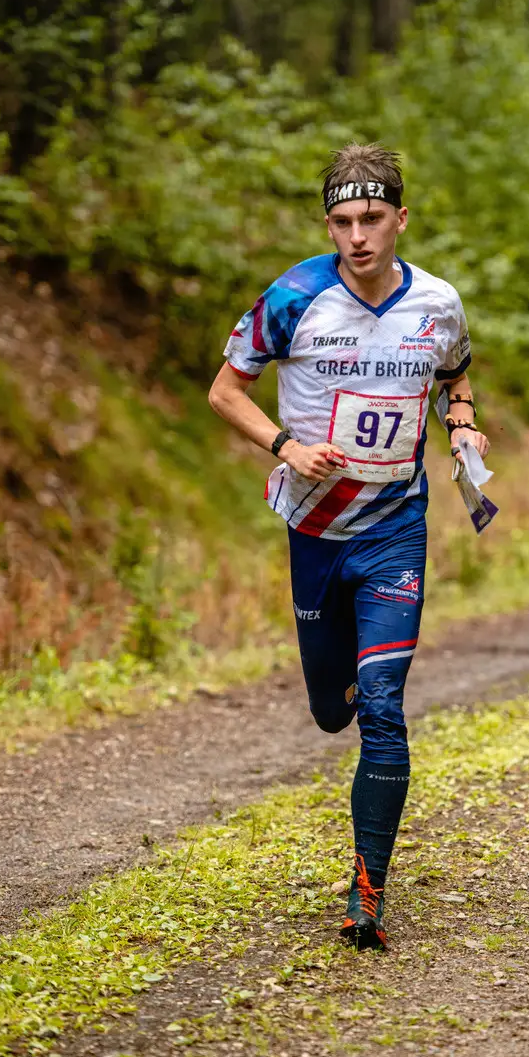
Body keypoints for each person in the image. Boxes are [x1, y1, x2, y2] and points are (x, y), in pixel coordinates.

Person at [208, 143, 489, 950]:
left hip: (397, 528)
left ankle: (368, 893)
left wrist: (461, 423)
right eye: (341, 222)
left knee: (385, 706)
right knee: (333, 710)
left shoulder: (437, 301)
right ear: (327, 225)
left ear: (401, 218)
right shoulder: (294, 297)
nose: (357, 236)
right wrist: (285, 446)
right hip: (315, 531)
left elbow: (455, 373)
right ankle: (343, 695)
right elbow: (225, 391)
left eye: (372, 218)